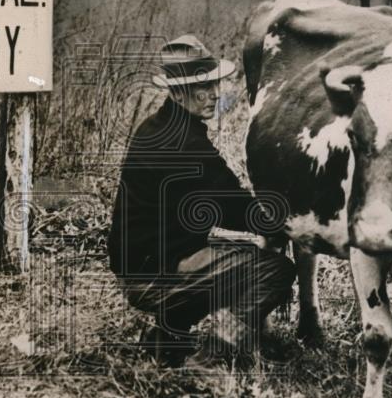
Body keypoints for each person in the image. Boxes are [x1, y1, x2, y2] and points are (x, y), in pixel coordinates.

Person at [108, 35, 296, 366]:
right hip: (155, 274)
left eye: (214, 84)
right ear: (177, 91)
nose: (215, 95)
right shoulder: (186, 145)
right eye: (203, 87)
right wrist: (290, 223)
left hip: (139, 265)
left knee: (222, 258)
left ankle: (167, 339)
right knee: (274, 270)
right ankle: (211, 356)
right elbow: (236, 208)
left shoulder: (155, 127)